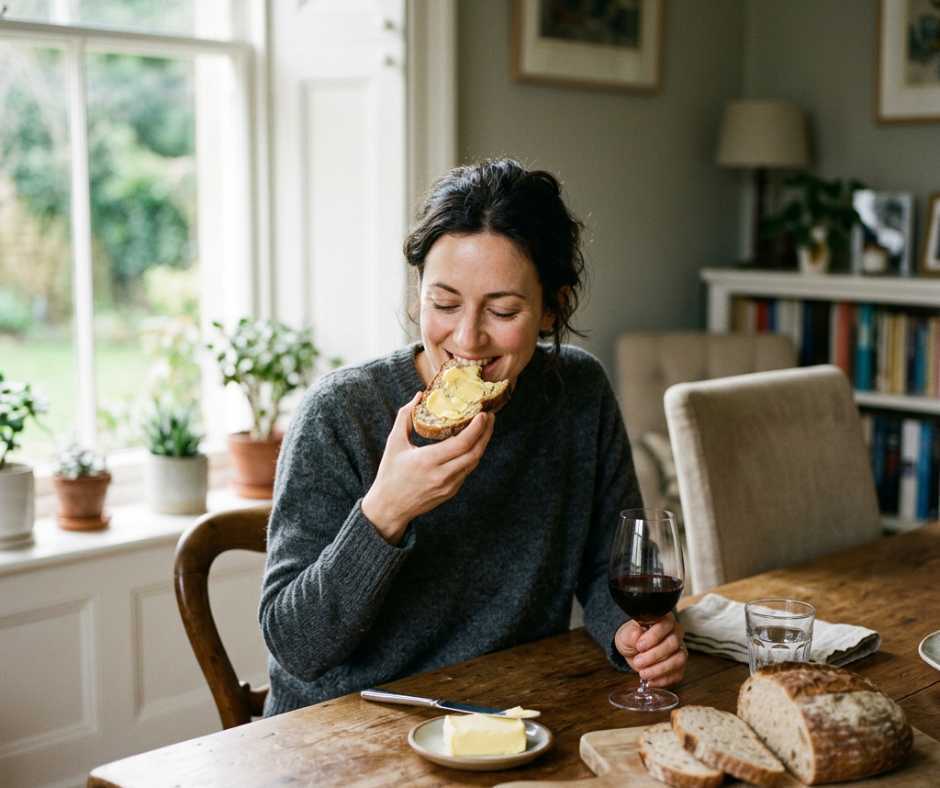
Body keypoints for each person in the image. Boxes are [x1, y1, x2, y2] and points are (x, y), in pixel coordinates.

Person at [259, 158, 687, 716]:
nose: (466, 337)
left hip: (504, 720)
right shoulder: (339, 413)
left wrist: (632, 635)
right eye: (443, 303)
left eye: (503, 309)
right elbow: (296, 646)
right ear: (418, 294)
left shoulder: (577, 393)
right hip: (347, 729)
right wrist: (385, 512)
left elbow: (612, 570)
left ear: (552, 309)